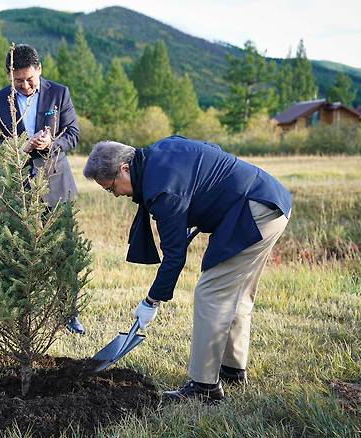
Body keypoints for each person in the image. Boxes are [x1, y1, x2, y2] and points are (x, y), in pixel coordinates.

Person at [83, 136, 291, 402]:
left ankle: (204, 388)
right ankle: (232, 369)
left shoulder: (162, 190)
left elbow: (174, 256)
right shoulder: (157, 153)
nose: (116, 195)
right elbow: (211, 151)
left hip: (253, 212)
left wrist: (151, 301)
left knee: (211, 293)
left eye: (111, 188)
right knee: (236, 293)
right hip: (268, 201)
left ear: (124, 168)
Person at [0, 43, 85, 334]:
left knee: (64, 251)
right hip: (16, 187)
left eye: (30, 79)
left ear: (39, 70)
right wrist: (20, 146)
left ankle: (69, 313)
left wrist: (51, 144)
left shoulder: (59, 93)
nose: (26, 85)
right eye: (19, 81)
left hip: (56, 185)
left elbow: (73, 134)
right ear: (9, 76)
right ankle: (23, 315)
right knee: (17, 252)